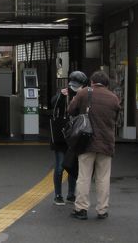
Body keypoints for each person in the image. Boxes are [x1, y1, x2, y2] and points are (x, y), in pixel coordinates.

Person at [68, 70, 120, 220]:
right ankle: (102, 210)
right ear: (106, 84)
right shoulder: (113, 98)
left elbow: (71, 110)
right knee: (103, 178)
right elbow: (115, 118)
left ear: (91, 82)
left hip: (86, 142)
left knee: (84, 176)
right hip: (106, 143)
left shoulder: (84, 93)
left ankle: (81, 209)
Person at [50, 70, 87, 206]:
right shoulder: (63, 94)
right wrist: (60, 95)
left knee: (72, 165)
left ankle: (71, 194)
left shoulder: (84, 95)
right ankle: (58, 195)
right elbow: (52, 104)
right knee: (60, 166)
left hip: (75, 136)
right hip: (61, 136)